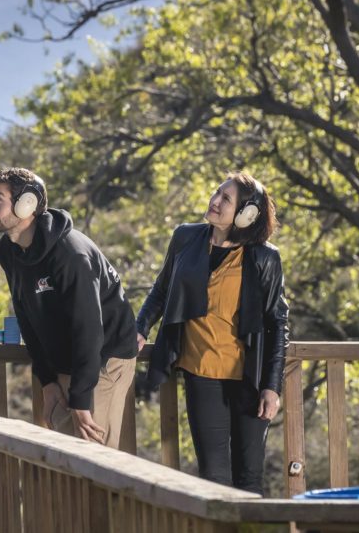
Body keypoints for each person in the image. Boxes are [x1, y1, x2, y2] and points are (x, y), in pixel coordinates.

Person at [135, 171, 289, 495]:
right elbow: (161, 290)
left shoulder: (265, 258)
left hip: (250, 378)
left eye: (226, 199)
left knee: (249, 478)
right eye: (217, 193)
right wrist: (139, 327)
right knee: (214, 477)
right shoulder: (185, 238)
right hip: (201, 370)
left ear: (247, 215)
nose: (215, 201)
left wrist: (272, 387)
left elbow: (277, 323)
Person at [0, 167, 138, 447]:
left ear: (26, 203)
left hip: (106, 355)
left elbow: (89, 328)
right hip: (70, 358)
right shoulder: (9, 249)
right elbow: (25, 316)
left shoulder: (70, 253)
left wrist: (80, 400)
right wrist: (48, 381)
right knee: (68, 449)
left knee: (94, 454)